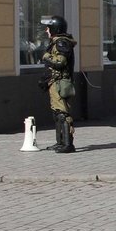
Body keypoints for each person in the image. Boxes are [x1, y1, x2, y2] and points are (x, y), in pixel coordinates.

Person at [39, 16, 77, 153]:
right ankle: (60, 142)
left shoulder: (61, 43)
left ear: (56, 28)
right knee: (57, 112)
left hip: (60, 83)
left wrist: (46, 56)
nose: (46, 30)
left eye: (49, 28)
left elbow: (60, 62)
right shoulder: (58, 42)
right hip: (55, 82)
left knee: (62, 113)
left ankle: (68, 144)